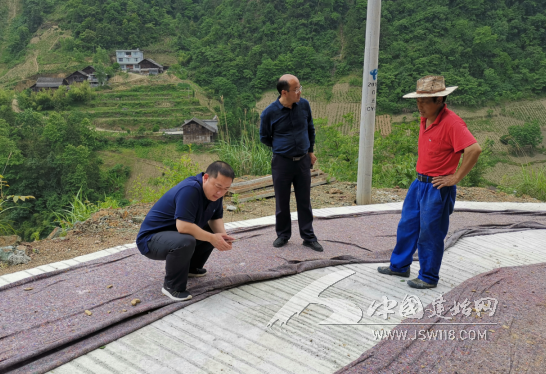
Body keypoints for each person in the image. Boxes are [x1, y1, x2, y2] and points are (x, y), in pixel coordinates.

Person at [378, 75, 482, 289]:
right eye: (418, 101)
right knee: (407, 225)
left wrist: (455, 178)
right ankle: (399, 266)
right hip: (419, 182)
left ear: (440, 100)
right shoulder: (425, 118)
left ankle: (428, 277)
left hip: (437, 186)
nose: (419, 106)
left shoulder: (452, 122)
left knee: (430, 232)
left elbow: (474, 149)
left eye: (424, 101)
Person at [136, 161, 236, 301]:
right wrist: (212, 238)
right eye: (218, 186)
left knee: (212, 234)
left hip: (174, 236)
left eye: (226, 189)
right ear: (206, 178)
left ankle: (191, 268)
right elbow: (183, 227)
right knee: (187, 240)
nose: (220, 193)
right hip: (151, 240)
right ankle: (172, 286)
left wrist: (222, 238)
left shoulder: (216, 195)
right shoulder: (190, 189)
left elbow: (215, 218)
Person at [260, 74, 323, 252]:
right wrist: (282, 147)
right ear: (284, 92)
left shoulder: (304, 105)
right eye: (296, 90)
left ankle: (308, 237)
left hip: (303, 161)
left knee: (304, 201)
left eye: (300, 88)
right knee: (282, 201)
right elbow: (264, 138)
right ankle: (283, 235)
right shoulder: (269, 112)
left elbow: (310, 128)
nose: (299, 92)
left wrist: (310, 151)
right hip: (282, 162)